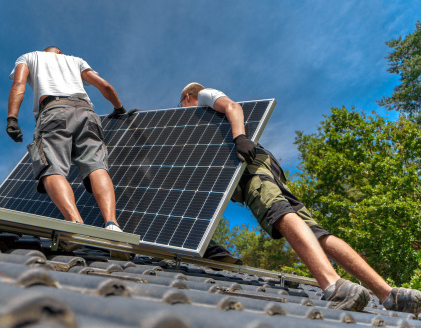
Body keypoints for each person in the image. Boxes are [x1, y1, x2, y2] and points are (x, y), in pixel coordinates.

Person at [178, 82, 421, 315]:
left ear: (187, 97)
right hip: (260, 166)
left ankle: (334, 286)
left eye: (180, 106)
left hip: (248, 166)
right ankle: (390, 295)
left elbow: (233, 106)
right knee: (316, 232)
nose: (180, 113)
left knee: (278, 212)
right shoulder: (202, 125)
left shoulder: (202, 97)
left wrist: (240, 137)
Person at [6, 46, 127, 232]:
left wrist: (12, 118)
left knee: (51, 166)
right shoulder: (76, 60)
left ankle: (75, 223)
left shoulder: (29, 57)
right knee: (96, 165)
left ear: (44, 52)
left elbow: (19, 84)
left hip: (54, 111)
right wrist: (119, 108)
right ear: (60, 53)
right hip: (87, 112)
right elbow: (104, 85)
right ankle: (112, 223)